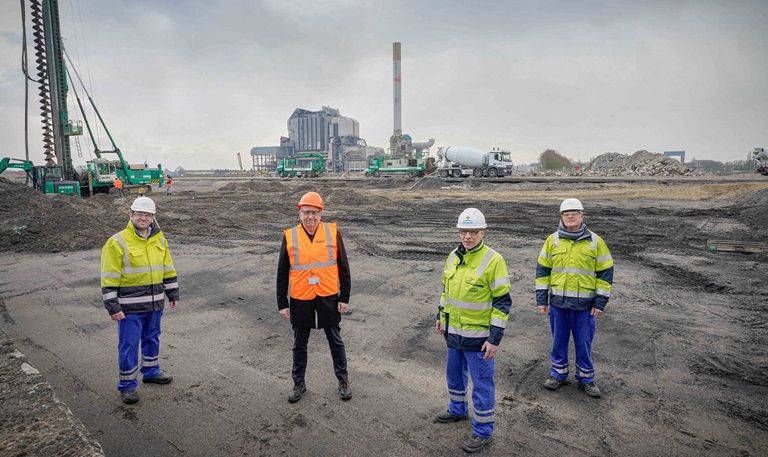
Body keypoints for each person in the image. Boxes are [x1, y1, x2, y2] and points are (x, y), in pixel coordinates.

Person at [435, 208, 511, 453]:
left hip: (479, 340)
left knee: (482, 384)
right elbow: (446, 291)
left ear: (483, 232)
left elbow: (502, 302)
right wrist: (440, 315)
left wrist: (494, 339)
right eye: (464, 231)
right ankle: (457, 410)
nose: (467, 236)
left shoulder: (493, 260)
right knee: (454, 375)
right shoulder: (453, 257)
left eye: (473, 231)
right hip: (454, 334)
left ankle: (483, 430)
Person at [100, 196, 179, 405]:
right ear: (131, 215)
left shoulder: (160, 240)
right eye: (139, 214)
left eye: (147, 215)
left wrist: (172, 293)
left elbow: (168, 268)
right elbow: (109, 276)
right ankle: (127, 386)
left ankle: (151, 372)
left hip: (154, 304)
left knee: (152, 338)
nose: (143, 218)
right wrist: (112, 306)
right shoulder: (117, 242)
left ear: (153, 218)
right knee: (129, 344)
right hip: (129, 307)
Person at [276, 191, 352, 403]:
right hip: (301, 296)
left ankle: (343, 380)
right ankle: (298, 383)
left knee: (335, 340)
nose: (311, 217)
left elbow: (343, 266)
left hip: (328, 295)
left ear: (321, 214)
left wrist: (344, 296)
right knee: (299, 342)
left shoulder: (332, 232)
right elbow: (282, 272)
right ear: (300, 213)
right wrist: (282, 302)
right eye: (307, 212)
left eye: (315, 213)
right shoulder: (290, 236)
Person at [535, 198, 614, 398]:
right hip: (559, 304)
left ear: (582, 215)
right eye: (566, 213)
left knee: (584, 343)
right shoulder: (552, 241)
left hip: (585, 306)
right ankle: (557, 374)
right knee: (558, 342)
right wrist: (542, 299)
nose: (570, 216)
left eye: (574, 212)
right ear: (561, 216)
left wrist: (600, 301)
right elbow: (542, 271)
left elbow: (605, 273)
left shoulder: (596, 242)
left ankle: (586, 378)